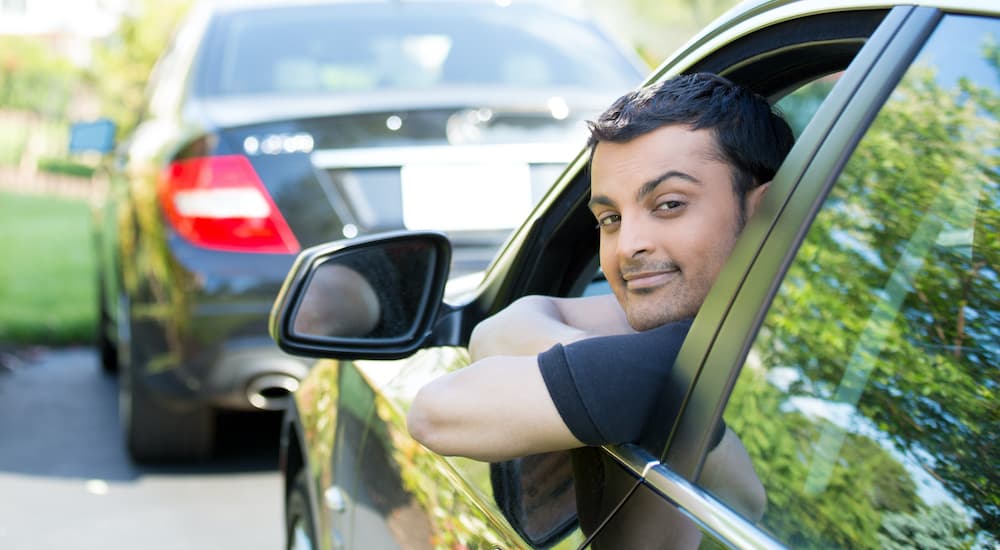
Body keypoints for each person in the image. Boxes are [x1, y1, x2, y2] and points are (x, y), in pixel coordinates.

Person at [406, 73, 795, 528]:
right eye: (610, 218)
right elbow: (497, 329)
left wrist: (615, 377)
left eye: (670, 204)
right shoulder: (713, 328)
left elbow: (434, 412)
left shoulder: (664, 362)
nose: (628, 245)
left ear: (765, 214)